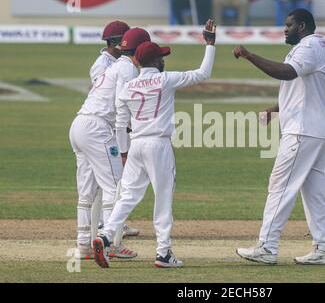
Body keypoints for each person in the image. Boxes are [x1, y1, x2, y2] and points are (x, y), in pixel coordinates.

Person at [92, 20, 217, 269]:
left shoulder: (127, 87)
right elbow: (204, 73)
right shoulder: (165, 79)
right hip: (159, 145)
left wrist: (124, 152)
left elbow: (120, 123)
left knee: (127, 196)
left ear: (137, 62)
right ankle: (163, 253)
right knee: (163, 198)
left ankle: (105, 235)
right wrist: (210, 44)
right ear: (157, 61)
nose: (163, 60)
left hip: (136, 145)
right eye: (161, 57)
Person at [234, 9, 325, 265]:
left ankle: (267, 247)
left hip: (304, 130)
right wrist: (275, 108)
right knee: (313, 192)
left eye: (288, 25)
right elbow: (304, 89)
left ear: (301, 26)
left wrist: (249, 56)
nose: (285, 29)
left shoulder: (309, 47)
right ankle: (324, 248)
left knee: (280, 185)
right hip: (317, 128)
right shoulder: (314, 46)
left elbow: (286, 72)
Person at [69, 27, 151, 260]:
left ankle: (84, 244)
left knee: (87, 193)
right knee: (115, 187)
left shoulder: (116, 66)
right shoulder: (126, 69)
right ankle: (110, 245)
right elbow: (123, 108)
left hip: (80, 124)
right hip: (98, 128)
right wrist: (125, 147)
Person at [89, 21, 140, 245]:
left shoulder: (117, 62)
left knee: (109, 178)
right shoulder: (103, 64)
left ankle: (111, 223)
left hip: (110, 124)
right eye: (124, 40)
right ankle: (106, 227)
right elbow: (111, 98)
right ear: (115, 42)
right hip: (104, 126)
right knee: (110, 180)